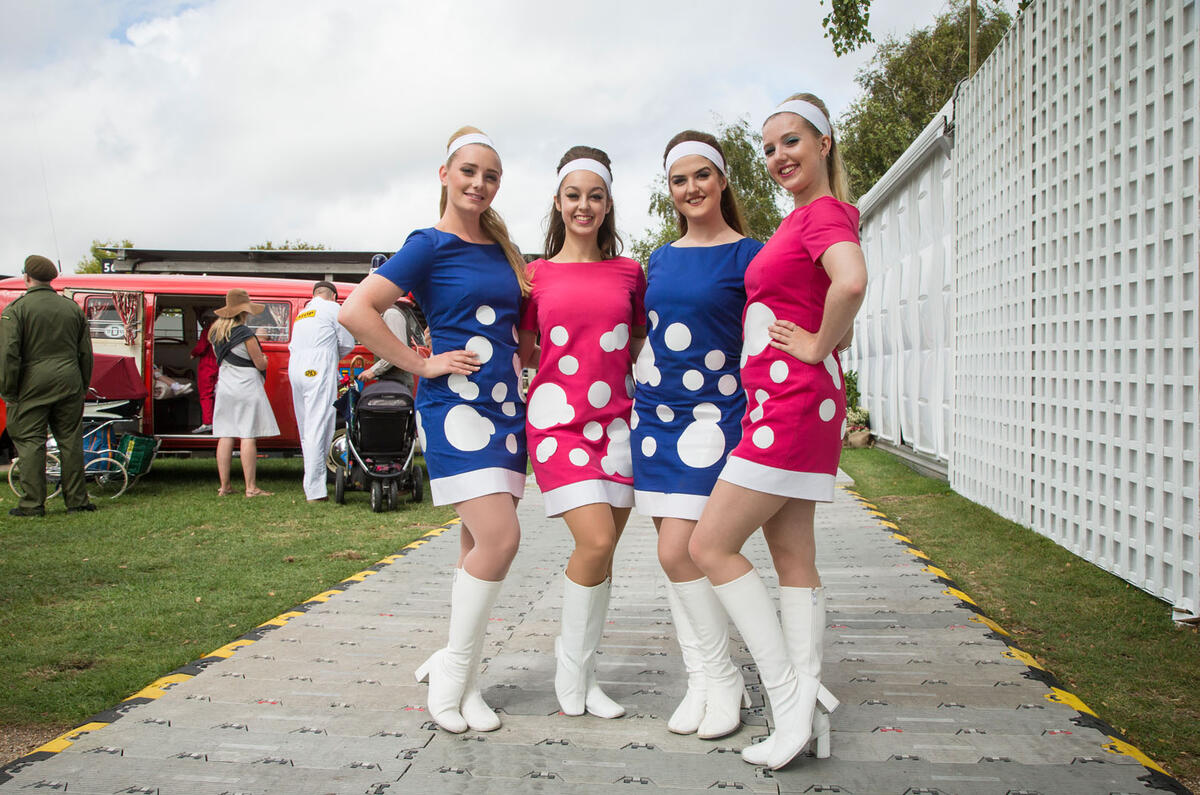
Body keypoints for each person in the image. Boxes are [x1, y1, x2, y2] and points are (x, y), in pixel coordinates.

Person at [688, 94, 867, 770]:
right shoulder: (806, 217)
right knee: (792, 555)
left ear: (825, 143)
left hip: (790, 404)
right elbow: (830, 291)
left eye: (791, 141)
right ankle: (803, 710)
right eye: (768, 148)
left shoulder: (822, 213)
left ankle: (789, 694)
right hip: (787, 403)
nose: (778, 156)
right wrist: (826, 340)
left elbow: (852, 282)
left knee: (710, 543)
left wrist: (818, 345)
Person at [339, 126, 530, 735]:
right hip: (456, 409)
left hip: (505, 409)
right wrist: (420, 364)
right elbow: (356, 311)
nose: (479, 183)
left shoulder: (503, 248)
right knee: (501, 539)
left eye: (491, 176)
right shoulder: (428, 243)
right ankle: (453, 676)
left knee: (476, 545)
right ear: (445, 175)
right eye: (469, 171)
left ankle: (462, 678)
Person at [629, 132, 763, 738]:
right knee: (675, 555)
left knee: (680, 551)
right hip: (656, 417)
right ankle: (702, 680)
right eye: (679, 180)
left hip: (715, 417)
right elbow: (646, 332)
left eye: (702, 175)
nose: (691, 189)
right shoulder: (659, 258)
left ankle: (725, 678)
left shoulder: (751, 256)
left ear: (723, 180)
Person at [517, 146, 646, 719]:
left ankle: (586, 675)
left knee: (604, 554)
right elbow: (524, 350)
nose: (584, 206)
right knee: (594, 542)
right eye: (574, 196)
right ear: (558, 202)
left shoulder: (630, 272)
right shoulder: (534, 276)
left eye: (595, 196)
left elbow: (638, 345)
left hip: (618, 426)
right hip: (557, 425)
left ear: (608, 203)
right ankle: (570, 673)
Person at [0, 255, 95, 516]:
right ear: (51, 278)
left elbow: (9, 354)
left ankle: (32, 503)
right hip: (70, 379)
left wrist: (8, 390)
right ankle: (77, 500)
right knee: (70, 440)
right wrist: (82, 384)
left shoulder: (17, 310)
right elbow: (85, 353)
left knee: (31, 441)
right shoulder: (71, 308)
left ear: (26, 277)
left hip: (31, 382)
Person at [288, 281, 355, 502]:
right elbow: (347, 343)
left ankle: (311, 481)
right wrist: (332, 356)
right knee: (319, 425)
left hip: (296, 367)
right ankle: (315, 489)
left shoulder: (303, 314)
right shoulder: (333, 308)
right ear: (334, 296)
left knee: (306, 427)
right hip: (317, 366)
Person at [210, 288, 279, 498]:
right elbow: (259, 363)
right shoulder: (246, 334)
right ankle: (251, 487)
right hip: (246, 386)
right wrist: (265, 360)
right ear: (243, 312)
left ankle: (225, 486)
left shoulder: (215, 333)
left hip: (225, 386)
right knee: (247, 435)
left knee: (226, 434)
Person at [356, 305, 416, 390]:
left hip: (398, 384)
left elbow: (397, 351)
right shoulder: (385, 315)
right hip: (393, 383)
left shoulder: (391, 314)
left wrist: (373, 371)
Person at [190, 310, 218, 433]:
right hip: (220, 365)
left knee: (206, 394)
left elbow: (201, 347)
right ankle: (218, 421)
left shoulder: (207, 331)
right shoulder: (224, 331)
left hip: (207, 365)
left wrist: (193, 354)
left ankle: (207, 422)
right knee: (218, 394)